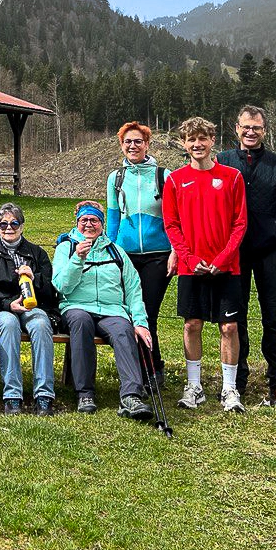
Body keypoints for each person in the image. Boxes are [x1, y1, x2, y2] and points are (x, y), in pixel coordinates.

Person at [162, 116, 248, 413]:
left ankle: (229, 389)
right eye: (191, 140)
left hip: (227, 267)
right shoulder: (174, 179)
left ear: (213, 140)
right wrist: (188, 258)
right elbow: (171, 225)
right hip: (191, 267)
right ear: (184, 144)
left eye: (202, 138)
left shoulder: (232, 176)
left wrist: (222, 259)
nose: (197, 144)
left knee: (229, 327)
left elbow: (240, 223)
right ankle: (194, 386)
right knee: (192, 324)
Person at [216, 105, 276, 407]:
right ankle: (236, 378)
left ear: (264, 130)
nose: (251, 132)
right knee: (236, 319)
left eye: (257, 128)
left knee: (274, 318)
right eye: (246, 127)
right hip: (234, 252)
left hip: (271, 250)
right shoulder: (222, 161)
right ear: (236, 128)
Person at [52, 201, 153, 419]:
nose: (89, 224)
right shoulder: (66, 248)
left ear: (102, 224)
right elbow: (61, 286)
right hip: (75, 306)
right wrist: (77, 259)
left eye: (94, 220)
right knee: (81, 322)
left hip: (112, 309)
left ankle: (131, 396)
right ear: (77, 223)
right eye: (84, 220)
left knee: (124, 330)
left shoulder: (116, 252)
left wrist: (140, 322)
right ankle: (85, 393)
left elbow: (134, 288)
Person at [106, 121, 174, 389]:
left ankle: (153, 369)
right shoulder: (116, 178)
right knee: (128, 313)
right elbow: (112, 218)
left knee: (147, 312)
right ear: (121, 145)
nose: (132, 146)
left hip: (159, 254)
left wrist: (176, 251)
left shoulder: (163, 175)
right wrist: (109, 250)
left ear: (147, 144)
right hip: (126, 255)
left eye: (138, 141)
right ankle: (138, 369)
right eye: (127, 142)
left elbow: (173, 217)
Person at [0, 203, 58, 415]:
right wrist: (7, 304)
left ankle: (44, 395)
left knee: (41, 324)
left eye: (14, 223)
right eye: (3, 223)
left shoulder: (37, 253)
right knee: (9, 323)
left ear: (22, 226)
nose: (8, 228)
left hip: (32, 306)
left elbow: (52, 287)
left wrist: (35, 278)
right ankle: (12, 395)